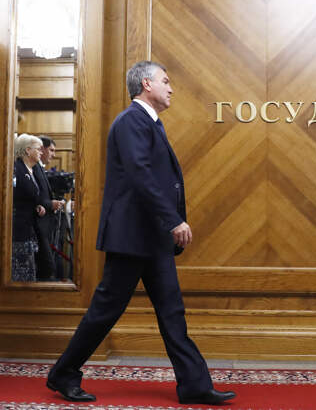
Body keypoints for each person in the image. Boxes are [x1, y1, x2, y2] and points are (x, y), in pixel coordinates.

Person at [46, 61, 236, 405]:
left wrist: (167, 223)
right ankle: (64, 372)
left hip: (151, 238)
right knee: (106, 311)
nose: (171, 88)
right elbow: (140, 175)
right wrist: (173, 220)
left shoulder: (147, 122)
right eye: (166, 81)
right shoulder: (131, 121)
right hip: (132, 238)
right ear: (146, 84)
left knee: (172, 311)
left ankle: (194, 385)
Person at [12, 134, 46, 282]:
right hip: (18, 230)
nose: (41, 152)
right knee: (20, 275)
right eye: (38, 149)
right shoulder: (16, 169)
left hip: (29, 228)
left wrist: (37, 205)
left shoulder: (32, 170)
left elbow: (29, 196)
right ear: (27, 150)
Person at [33, 136, 64, 281]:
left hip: (44, 225)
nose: (53, 154)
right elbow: (33, 196)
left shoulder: (38, 167)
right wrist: (50, 204)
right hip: (37, 225)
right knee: (47, 266)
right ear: (42, 149)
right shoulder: (34, 167)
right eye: (51, 150)